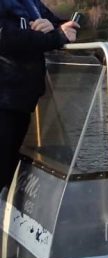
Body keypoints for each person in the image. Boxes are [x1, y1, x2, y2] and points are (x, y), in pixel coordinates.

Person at [0, 1, 79, 191]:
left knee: (4, 175)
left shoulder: (30, 2)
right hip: (4, 102)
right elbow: (6, 39)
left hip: (21, 103)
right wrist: (57, 36)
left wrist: (56, 27)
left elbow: (68, 26)